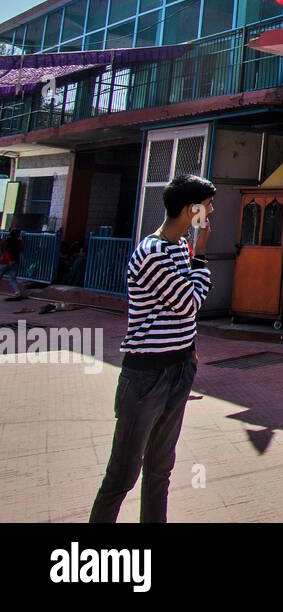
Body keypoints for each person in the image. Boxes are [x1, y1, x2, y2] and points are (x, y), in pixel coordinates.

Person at [89, 174, 216, 523]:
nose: (211, 211)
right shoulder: (153, 252)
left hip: (178, 367)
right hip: (146, 375)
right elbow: (188, 302)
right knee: (123, 474)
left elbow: (182, 309)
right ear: (192, 211)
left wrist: (188, 348)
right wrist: (202, 256)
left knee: (161, 468)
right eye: (207, 205)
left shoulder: (178, 249)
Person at [1, 228, 26, 301]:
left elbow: (6, 251)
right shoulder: (19, 242)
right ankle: (17, 292)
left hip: (5, 262)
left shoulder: (6, 241)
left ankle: (18, 292)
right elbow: (21, 247)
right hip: (15, 262)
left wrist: (9, 260)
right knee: (12, 278)